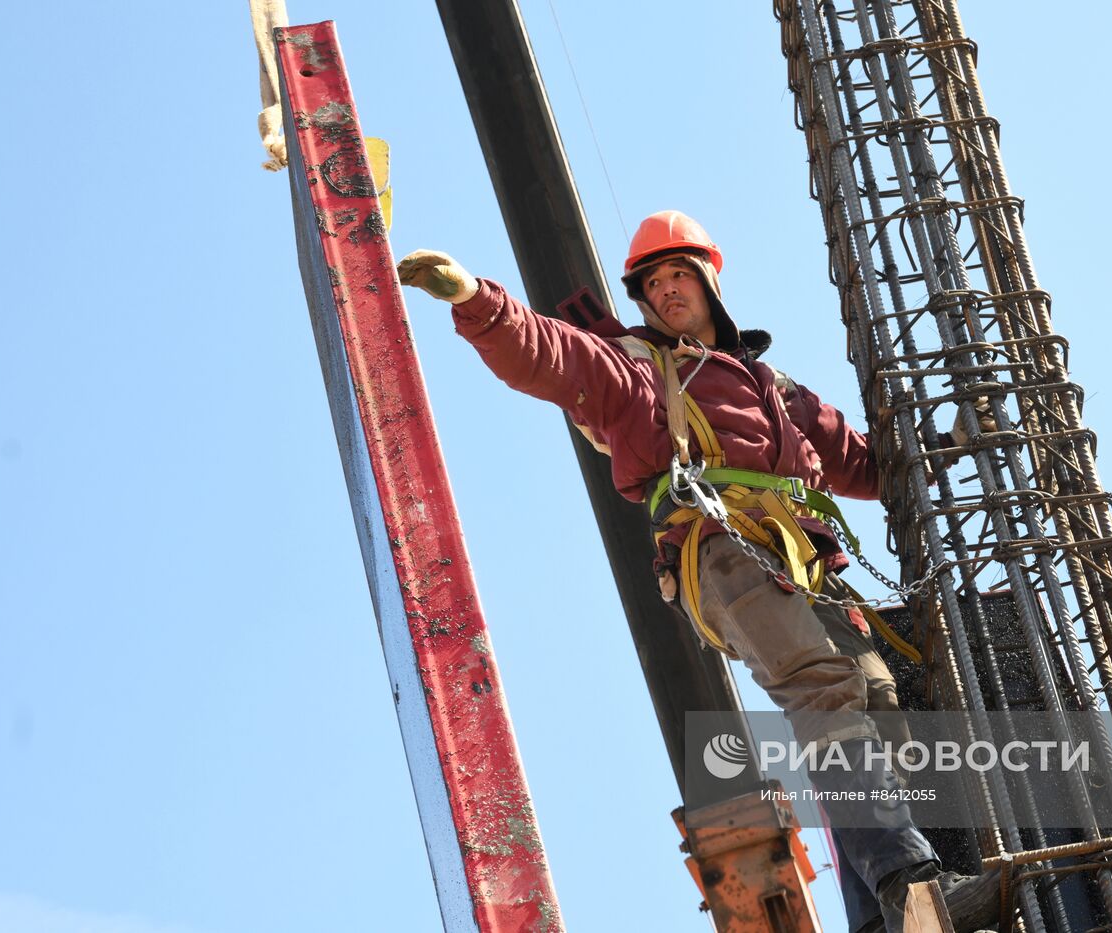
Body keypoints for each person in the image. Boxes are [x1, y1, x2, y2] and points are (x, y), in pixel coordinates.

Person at [398, 211, 1000, 933]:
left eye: (679, 272)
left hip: (804, 560)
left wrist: (949, 442)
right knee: (823, 690)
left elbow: (864, 462)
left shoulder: (770, 384)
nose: (667, 287)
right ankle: (914, 890)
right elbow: (554, 355)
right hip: (721, 548)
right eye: (653, 281)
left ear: (710, 281)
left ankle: (885, 917)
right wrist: (474, 299)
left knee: (878, 701)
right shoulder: (636, 368)